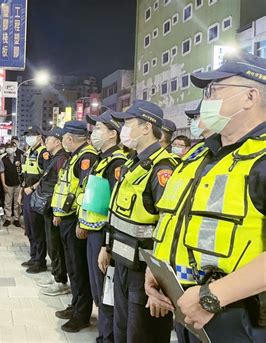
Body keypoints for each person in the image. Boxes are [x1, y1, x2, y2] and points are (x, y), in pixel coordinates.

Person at [146, 51, 266, 342]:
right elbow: (176, 220)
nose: (207, 100)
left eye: (215, 90)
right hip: (186, 307)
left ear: (251, 96)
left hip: (238, 319)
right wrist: (160, 273)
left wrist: (213, 296)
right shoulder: (199, 154)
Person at [107, 100, 179, 343]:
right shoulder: (132, 164)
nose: (123, 130)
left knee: (142, 335)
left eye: (128, 123)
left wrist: (159, 278)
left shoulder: (163, 168)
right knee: (122, 330)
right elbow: (119, 215)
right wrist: (108, 248)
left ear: (147, 127)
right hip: (123, 261)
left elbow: (169, 226)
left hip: (146, 273)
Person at [80, 111, 128, 343]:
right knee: (97, 285)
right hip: (94, 230)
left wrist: (107, 243)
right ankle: (103, 332)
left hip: (103, 234)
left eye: (98, 128)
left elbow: (113, 205)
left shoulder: (117, 162)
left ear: (112, 133)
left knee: (104, 288)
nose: (94, 133)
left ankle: (106, 336)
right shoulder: (102, 158)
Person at [51, 120, 98, 333]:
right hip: (68, 218)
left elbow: (85, 192)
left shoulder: (87, 157)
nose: (63, 142)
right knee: (73, 268)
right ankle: (75, 305)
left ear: (69, 139)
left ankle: (82, 315)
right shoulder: (76, 156)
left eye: (63, 139)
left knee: (79, 270)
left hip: (77, 220)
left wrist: (81, 221)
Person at [37, 127, 71, 295]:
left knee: (56, 245)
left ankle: (61, 280)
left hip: (54, 207)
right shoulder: (55, 157)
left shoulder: (62, 159)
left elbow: (62, 185)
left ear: (57, 142)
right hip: (48, 206)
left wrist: (58, 210)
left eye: (49, 140)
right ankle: (56, 274)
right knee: (52, 244)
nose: (45, 142)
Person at [20, 127, 48, 269]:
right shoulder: (30, 151)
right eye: (27, 135)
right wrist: (22, 192)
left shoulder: (43, 153)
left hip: (36, 193)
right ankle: (33, 256)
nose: (29, 138)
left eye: (32, 135)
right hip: (26, 193)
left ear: (39, 136)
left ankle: (40, 261)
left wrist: (32, 188)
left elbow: (46, 176)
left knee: (37, 228)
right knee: (29, 228)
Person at [0, 141, 23, 227]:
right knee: (7, 202)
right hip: (8, 184)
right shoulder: (3, 159)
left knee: (17, 202)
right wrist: (4, 184)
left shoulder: (20, 158)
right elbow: (2, 172)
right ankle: (8, 218)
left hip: (18, 183)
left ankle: (17, 218)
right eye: (8, 147)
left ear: (14, 148)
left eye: (11, 147)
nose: (10, 149)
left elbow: (23, 170)